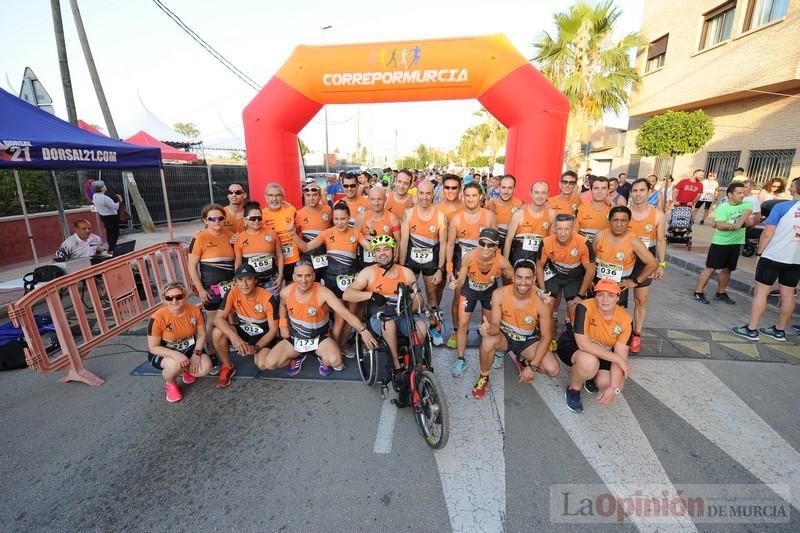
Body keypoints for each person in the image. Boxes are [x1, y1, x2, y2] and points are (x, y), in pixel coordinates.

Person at [262, 260, 377, 376]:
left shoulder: (324, 292)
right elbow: (282, 305)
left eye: (308, 275)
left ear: (313, 276)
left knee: (336, 361)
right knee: (269, 363)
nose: (303, 280)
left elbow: (345, 313)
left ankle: (321, 356)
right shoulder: (285, 292)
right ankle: (297, 355)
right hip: (295, 338)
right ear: (293, 277)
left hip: (319, 338)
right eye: (299, 276)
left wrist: (363, 330)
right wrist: (283, 325)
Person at [344, 235, 427, 377]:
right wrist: (370, 295)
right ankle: (396, 366)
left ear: (394, 251)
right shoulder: (368, 272)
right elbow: (347, 295)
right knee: (389, 324)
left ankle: (416, 361)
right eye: (378, 250)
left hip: (403, 314)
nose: (382, 253)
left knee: (422, 327)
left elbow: (418, 301)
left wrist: (413, 303)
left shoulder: (406, 273)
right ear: (374, 254)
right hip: (379, 317)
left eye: (386, 249)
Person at [473, 259, 557, 399]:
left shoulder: (543, 303)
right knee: (488, 341)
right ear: (513, 277)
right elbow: (495, 326)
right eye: (519, 277)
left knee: (553, 370)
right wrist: (487, 329)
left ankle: (524, 361)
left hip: (527, 341)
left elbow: (546, 338)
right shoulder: (499, 294)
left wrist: (533, 367)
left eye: (528, 278)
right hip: (505, 337)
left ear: (534, 279)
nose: (523, 282)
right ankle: (484, 376)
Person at [292, 202, 369, 352]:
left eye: (343, 219)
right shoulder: (326, 233)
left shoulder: (355, 233)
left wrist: (380, 244)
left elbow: (369, 247)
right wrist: (293, 234)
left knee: (351, 316)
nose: (340, 222)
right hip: (333, 282)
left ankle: (342, 346)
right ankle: (332, 350)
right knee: (340, 318)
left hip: (352, 282)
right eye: (337, 219)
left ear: (349, 218)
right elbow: (306, 247)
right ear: (333, 219)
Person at [732, 177, 799, 341]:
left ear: (795, 189)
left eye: (792, 185)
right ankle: (779, 330)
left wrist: (760, 253)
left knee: (761, 292)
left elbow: (768, 232)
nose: (789, 188)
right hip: (796, 259)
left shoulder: (782, 207)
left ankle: (752, 329)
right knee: (788, 294)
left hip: (773, 255)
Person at [556, 278, 632, 413]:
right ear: (595, 296)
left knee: (609, 384)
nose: (605, 300)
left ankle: (592, 376)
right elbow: (583, 344)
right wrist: (619, 359)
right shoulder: (584, 307)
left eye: (611, 295)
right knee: (589, 363)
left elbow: (620, 355)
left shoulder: (626, 319)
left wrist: (614, 388)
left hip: (604, 350)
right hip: (574, 344)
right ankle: (573, 389)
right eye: (600, 294)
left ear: (618, 298)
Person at [450, 228, 513, 377]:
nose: (485, 248)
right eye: (482, 243)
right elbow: (460, 281)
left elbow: (517, 279)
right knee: (463, 324)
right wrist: (455, 283)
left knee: (490, 326)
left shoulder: (502, 261)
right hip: (469, 291)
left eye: (490, 245)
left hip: (489, 293)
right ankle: (460, 359)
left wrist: (535, 292)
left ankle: (496, 352)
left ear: (496, 246)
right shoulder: (469, 257)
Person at [188, 204, 236, 387]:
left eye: (220, 218)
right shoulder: (200, 238)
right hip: (211, 287)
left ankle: (225, 346)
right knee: (213, 320)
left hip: (230, 285)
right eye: (212, 219)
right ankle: (212, 353)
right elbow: (191, 267)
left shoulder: (231, 235)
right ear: (205, 221)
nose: (217, 222)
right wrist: (200, 289)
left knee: (229, 317)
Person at [445, 182, 497, 348]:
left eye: (474, 195)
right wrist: (449, 269)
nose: (471, 199)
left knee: (487, 301)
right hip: (462, 264)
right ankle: (456, 331)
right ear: (463, 196)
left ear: (480, 197)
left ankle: (485, 332)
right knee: (458, 299)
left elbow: (496, 245)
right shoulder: (457, 218)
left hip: (485, 266)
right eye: (467, 195)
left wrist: (496, 268)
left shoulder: (489, 217)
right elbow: (450, 245)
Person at [399, 180, 447, 346]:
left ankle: (435, 328)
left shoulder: (440, 216)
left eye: (428, 194)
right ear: (416, 194)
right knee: (407, 296)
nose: (424, 197)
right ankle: (409, 329)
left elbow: (443, 244)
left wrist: (441, 268)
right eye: (421, 193)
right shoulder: (408, 213)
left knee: (432, 297)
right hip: (411, 262)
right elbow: (404, 241)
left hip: (431, 262)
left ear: (433, 195)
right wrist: (401, 265)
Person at [146, 282, 212, 403]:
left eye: (179, 297)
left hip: (190, 348)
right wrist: (175, 354)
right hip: (165, 351)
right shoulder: (157, 317)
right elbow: (153, 347)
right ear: (165, 300)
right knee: (175, 365)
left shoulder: (194, 310)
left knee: (205, 368)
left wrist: (197, 354)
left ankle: (186, 369)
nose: (174, 300)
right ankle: (170, 383)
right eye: (169, 298)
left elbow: (202, 334)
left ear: (185, 296)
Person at [536, 214, 595, 339]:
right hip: (554, 275)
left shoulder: (584, 243)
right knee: (547, 306)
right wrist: (542, 291)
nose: (563, 233)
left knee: (574, 307)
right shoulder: (546, 242)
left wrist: (580, 295)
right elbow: (539, 266)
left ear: (573, 228)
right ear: (554, 229)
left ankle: (573, 337)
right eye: (560, 229)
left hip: (574, 277)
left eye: (567, 229)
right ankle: (550, 339)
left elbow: (590, 271)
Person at [693, 182, 753, 304]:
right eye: (739, 193)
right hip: (720, 243)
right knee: (711, 268)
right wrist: (734, 226)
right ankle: (698, 292)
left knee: (728, 269)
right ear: (730, 194)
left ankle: (721, 293)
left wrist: (740, 223)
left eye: (743, 193)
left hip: (736, 243)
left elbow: (749, 221)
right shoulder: (723, 207)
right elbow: (719, 225)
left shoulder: (747, 204)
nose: (742, 195)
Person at [212, 264, 278, 373]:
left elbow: (273, 330)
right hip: (244, 329)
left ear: (255, 280)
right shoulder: (232, 292)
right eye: (240, 280)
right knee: (217, 332)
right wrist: (234, 338)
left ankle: (277, 350)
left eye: (248, 279)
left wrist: (256, 347)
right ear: (236, 281)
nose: (244, 284)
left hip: (263, 333)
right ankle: (227, 366)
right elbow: (218, 319)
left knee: (262, 364)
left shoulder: (267, 297)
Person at [627, 179, 667, 353]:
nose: (638, 194)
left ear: (648, 192)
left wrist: (661, 264)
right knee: (617, 300)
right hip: (624, 258)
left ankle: (637, 334)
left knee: (640, 300)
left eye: (641, 190)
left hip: (645, 261)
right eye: (634, 190)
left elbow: (660, 240)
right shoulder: (624, 213)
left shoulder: (657, 215)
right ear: (630, 193)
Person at [592, 206, 657, 311]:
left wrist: (635, 281)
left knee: (616, 318)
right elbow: (590, 259)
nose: (619, 224)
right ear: (610, 220)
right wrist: (590, 278)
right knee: (595, 314)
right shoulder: (600, 236)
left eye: (623, 220)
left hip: (619, 286)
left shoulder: (634, 241)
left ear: (628, 222)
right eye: (615, 220)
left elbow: (652, 263)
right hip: (598, 282)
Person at [234, 202, 283, 293]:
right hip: (250, 283)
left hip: (271, 280)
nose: (256, 221)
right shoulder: (239, 238)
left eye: (259, 218)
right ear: (245, 220)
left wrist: (280, 276)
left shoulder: (272, 233)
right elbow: (238, 262)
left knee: (272, 306)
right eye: (252, 219)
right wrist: (239, 281)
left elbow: (279, 256)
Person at [504, 181, 555, 265]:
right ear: (530, 194)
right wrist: (506, 265)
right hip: (520, 258)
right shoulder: (519, 214)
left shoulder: (551, 214)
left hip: (541, 259)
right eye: (536, 192)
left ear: (548, 194)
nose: (540, 196)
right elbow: (508, 240)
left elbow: (552, 240)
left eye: (543, 193)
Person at [262, 183, 300, 283]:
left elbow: (299, 228)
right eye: (271, 195)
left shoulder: (291, 210)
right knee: (274, 292)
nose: (274, 199)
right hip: (272, 260)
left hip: (291, 258)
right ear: (266, 197)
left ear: (282, 197)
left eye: (278, 195)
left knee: (291, 289)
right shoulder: (261, 215)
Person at [294, 182, 332, 280]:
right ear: (304, 196)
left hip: (326, 254)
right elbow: (297, 235)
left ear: (320, 196)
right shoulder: (299, 214)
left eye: (314, 195)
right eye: (308, 195)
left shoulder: (328, 210)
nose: (311, 198)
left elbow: (333, 229)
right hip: (308, 256)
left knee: (325, 283)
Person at [355, 185, 401, 265]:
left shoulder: (392, 218)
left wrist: (395, 260)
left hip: (386, 263)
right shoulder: (361, 218)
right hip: (365, 263)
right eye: (373, 199)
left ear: (385, 200)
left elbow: (398, 241)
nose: (376, 203)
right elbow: (355, 240)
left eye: (379, 199)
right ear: (368, 200)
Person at [485, 174, 524, 251]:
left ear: (514, 189)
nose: (506, 191)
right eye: (503, 187)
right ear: (498, 188)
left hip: (512, 248)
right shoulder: (489, 205)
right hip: (493, 248)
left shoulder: (520, 204)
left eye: (510, 188)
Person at [575, 176, 611, 242]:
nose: (599, 191)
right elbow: (574, 234)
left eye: (603, 188)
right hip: (584, 250)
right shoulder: (581, 210)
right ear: (591, 190)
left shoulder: (613, 212)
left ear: (608, 191)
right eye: (596, 188)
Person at [91, 181, 121, 252]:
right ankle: (112, 248)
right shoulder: (105, 198)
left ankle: (110, 246)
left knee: (109, 232)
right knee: (115, 232)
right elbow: (115, 207)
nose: (105, 186)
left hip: (103, 216)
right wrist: (120, 200)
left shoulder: (94, 196)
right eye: (104, 186)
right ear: (101, 188)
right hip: (112, 216)